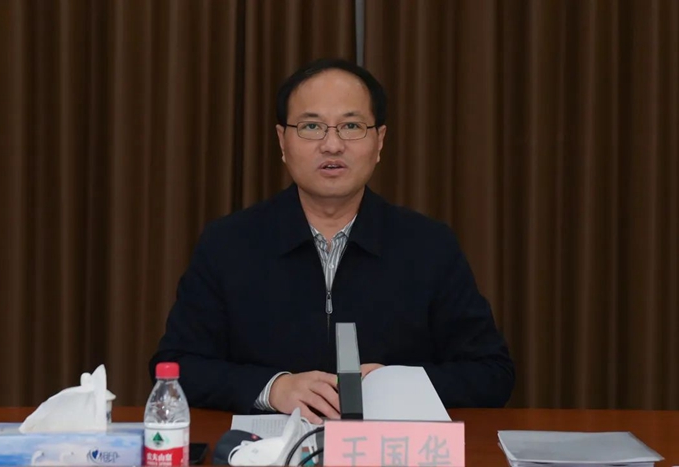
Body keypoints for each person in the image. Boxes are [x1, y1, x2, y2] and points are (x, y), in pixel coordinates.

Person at [150, 58, 515, 424]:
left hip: (386, 449)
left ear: (379, 141)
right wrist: (272, 388)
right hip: (267, 448)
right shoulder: (228, 244)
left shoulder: (429, 246)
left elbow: (491, 373)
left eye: (351, 126)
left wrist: (398, 385)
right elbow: (176, 366)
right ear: (282, 141)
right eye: (311, 126)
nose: (332, 144)